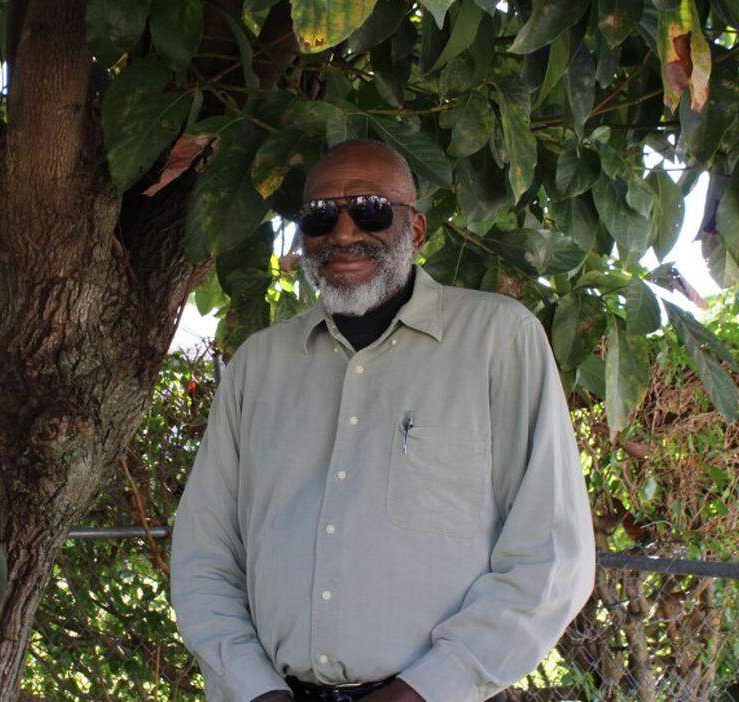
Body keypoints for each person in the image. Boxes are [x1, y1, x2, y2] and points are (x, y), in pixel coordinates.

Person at [169, 139, 596, 702]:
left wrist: (429, 689)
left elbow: (552, 553)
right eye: (320, 218)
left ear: (415, 230)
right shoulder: (259, 365)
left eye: (370, 210)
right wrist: (254, 689)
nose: (343, 234)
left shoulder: (499, 340)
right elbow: (205, 555)